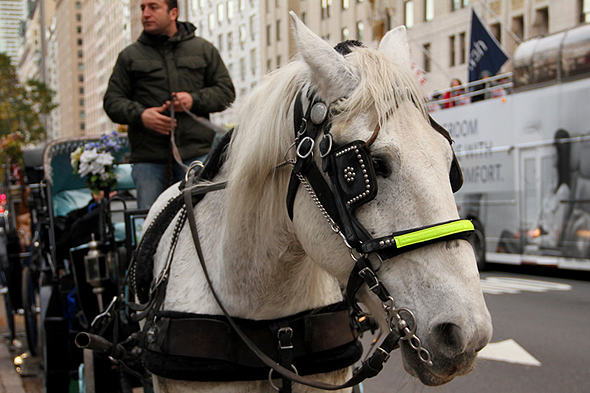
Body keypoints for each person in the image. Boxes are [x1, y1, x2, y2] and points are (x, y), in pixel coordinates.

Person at [103, 0, 235, 210]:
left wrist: (193, 100)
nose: (145, 13)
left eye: (153, 7)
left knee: (201, 221)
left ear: (173, 13)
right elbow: (111, 101)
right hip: (149, 161)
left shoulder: (203, 49)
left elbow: (226, 93)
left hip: (195, 156)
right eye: (142, 8)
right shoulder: (129, 56)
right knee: (151, 225)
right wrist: (142, 115)